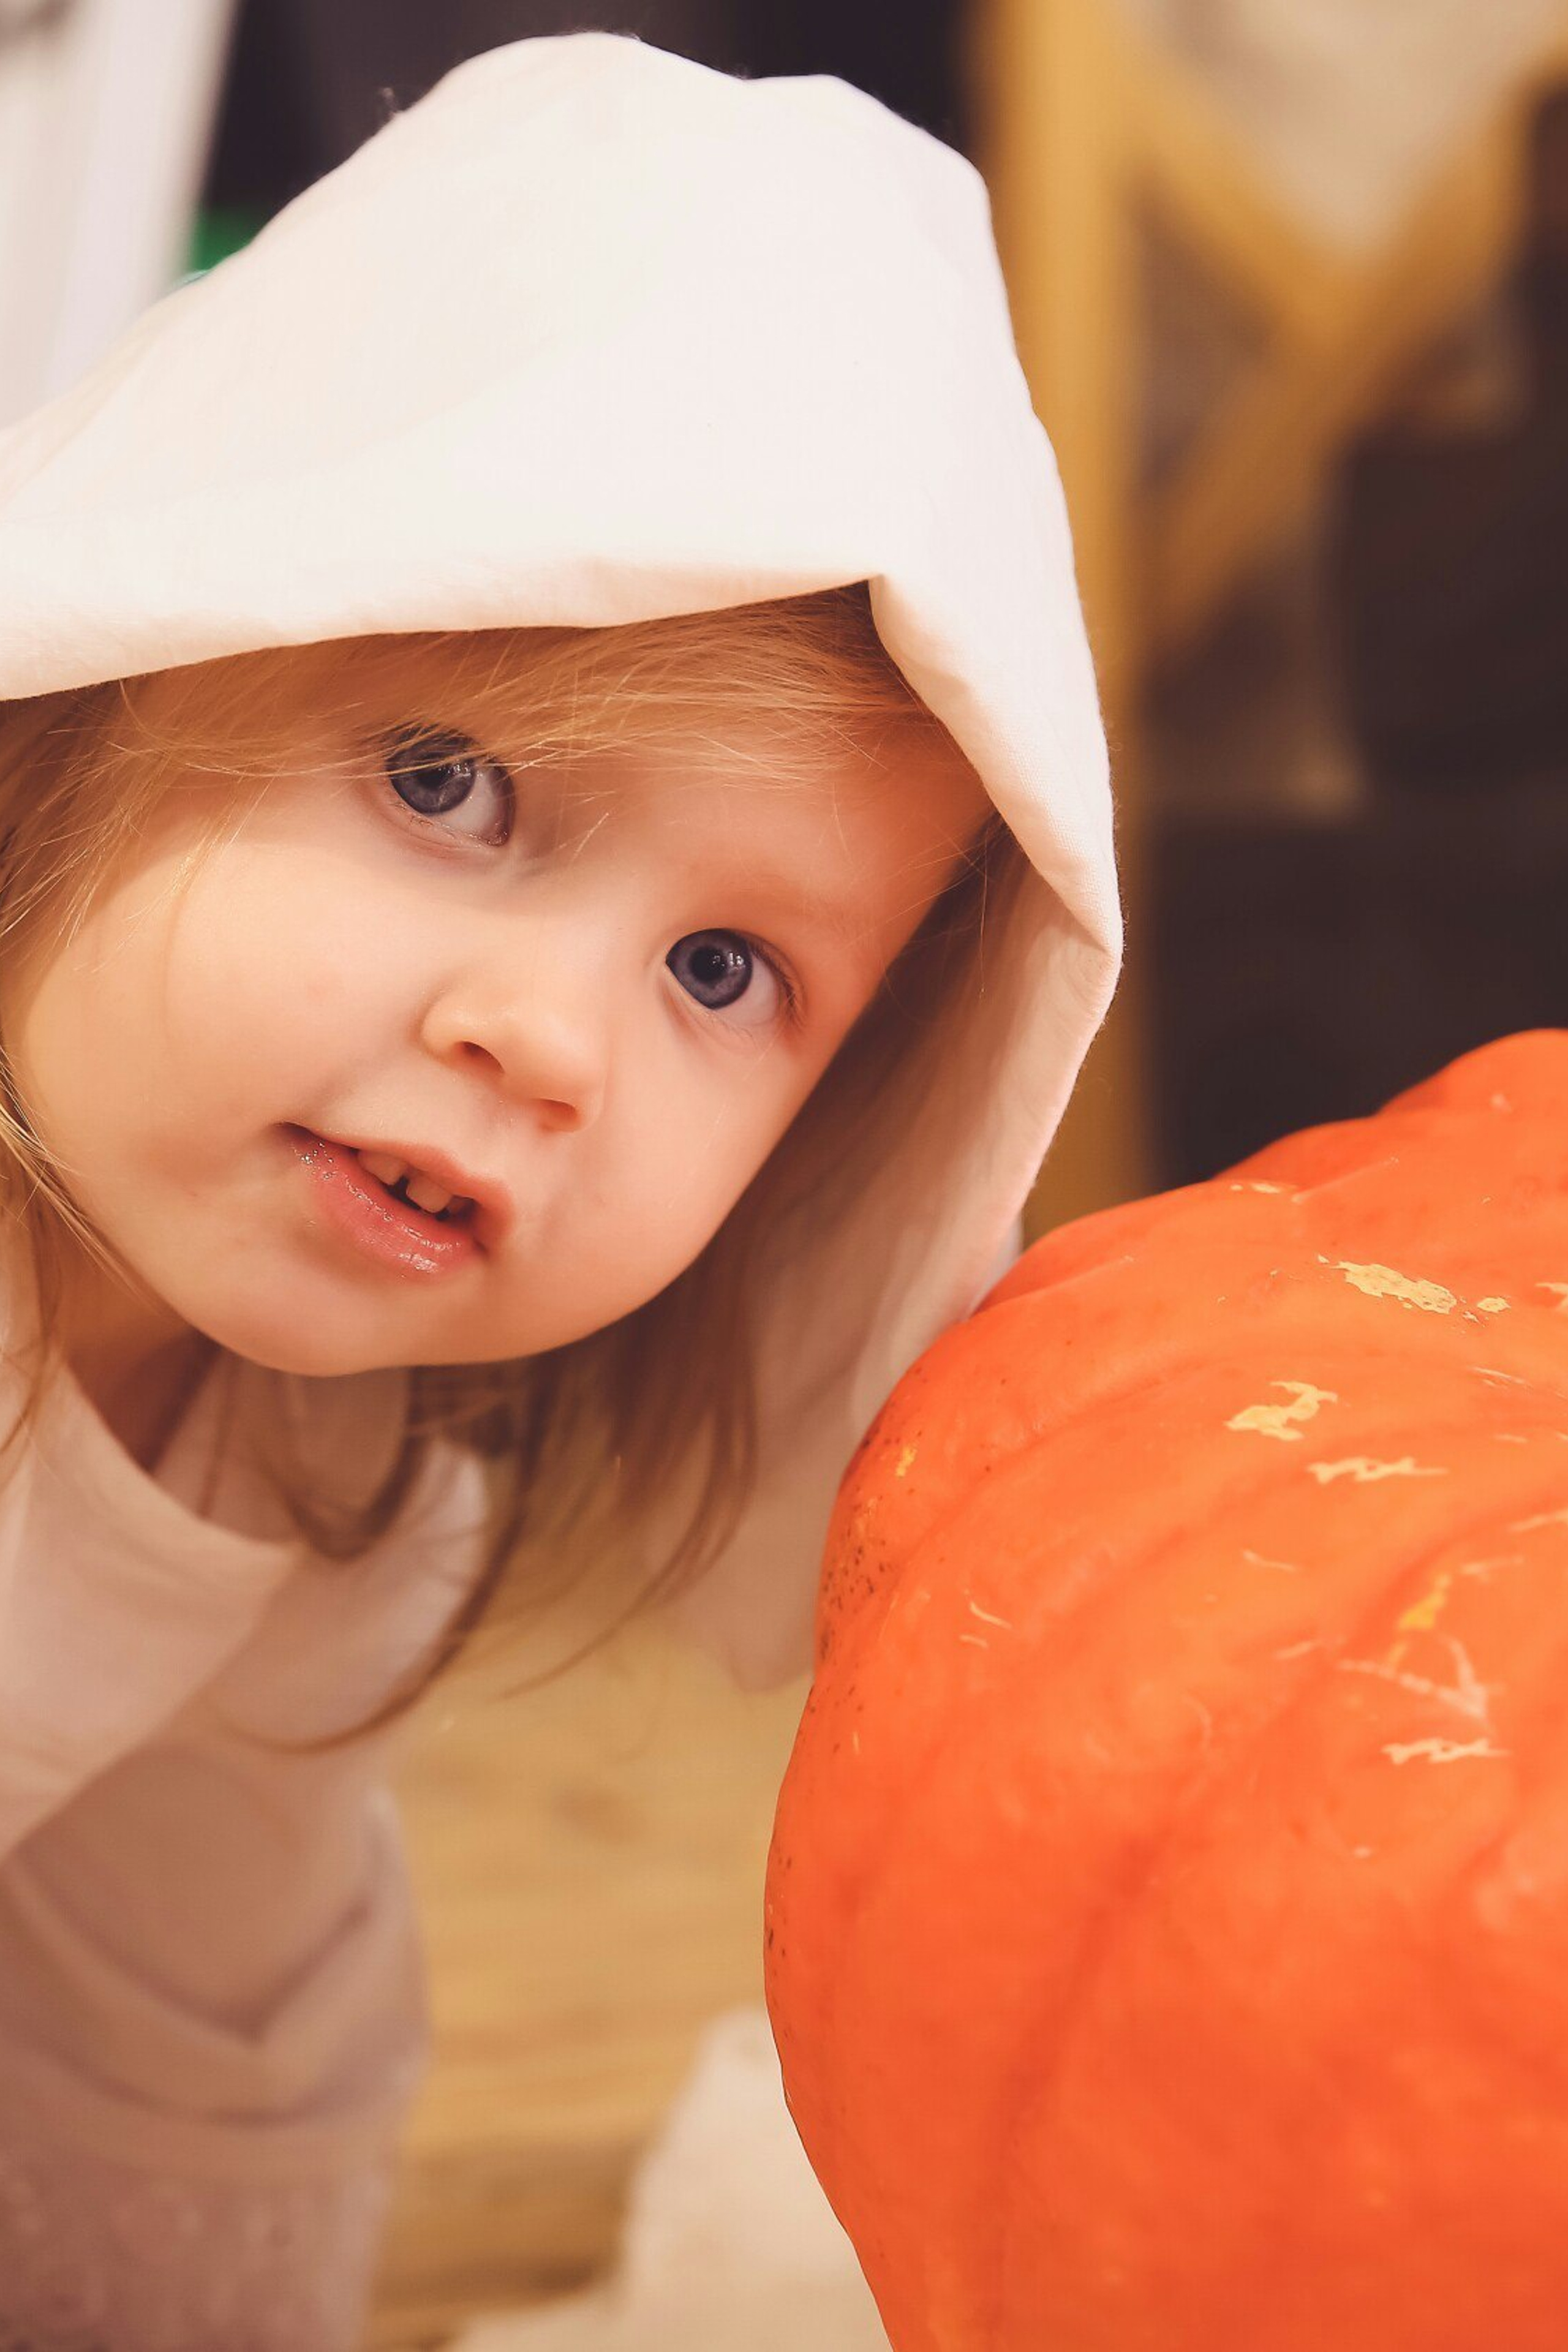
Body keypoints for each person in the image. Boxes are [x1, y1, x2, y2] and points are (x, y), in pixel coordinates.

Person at [0, 29, 1121, 2349]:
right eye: (449, 786)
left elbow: (193, 2086)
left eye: (722, 973)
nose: (553, 1041)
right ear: (107, 686)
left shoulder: (332, 1495)